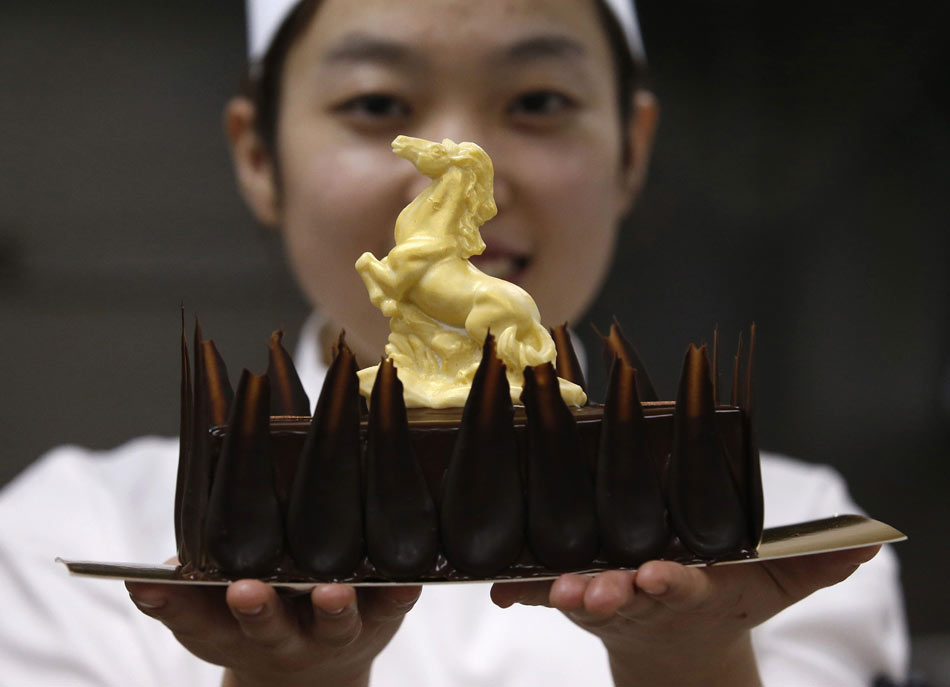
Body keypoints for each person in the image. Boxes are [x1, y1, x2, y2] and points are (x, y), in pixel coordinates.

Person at [0, 0, 909, 685]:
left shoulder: (769, 533)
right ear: (256, 154)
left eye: (540, 100)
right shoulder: (66, 525)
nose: (475, 152)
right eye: (377, 100)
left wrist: (691, 653)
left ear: (633, 150)